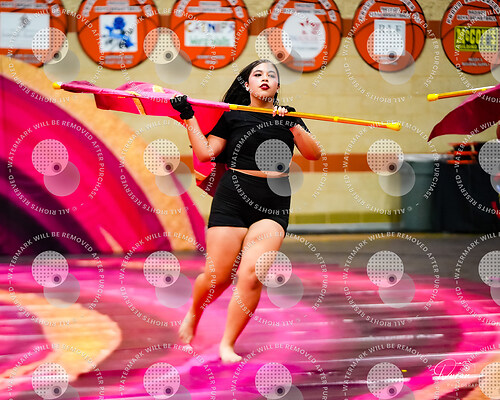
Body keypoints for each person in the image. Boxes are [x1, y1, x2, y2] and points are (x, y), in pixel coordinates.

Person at [170, 59, 321, 363]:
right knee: (218, 277)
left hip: (273, 204)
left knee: (251, 276)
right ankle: (194, 313)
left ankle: (227, 344)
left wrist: (293, 124)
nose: (265, 78)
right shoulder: (232, 115)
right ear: (247, 85)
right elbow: (206, 153)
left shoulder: (289, 117)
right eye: (258, 74)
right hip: (233, 200)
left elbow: (314, 154)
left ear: (277, 86)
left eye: (271, 75)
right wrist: (188, 117)